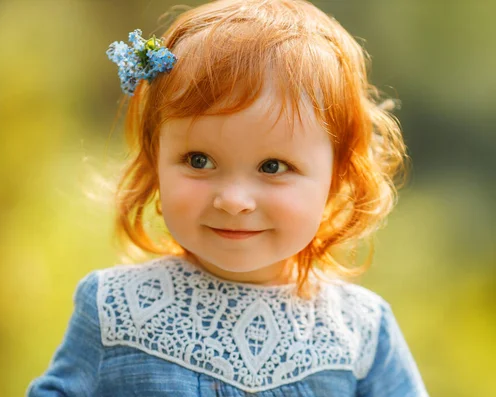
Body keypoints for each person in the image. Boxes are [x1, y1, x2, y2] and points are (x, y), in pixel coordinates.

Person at [27, 0, 429, 395]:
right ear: (155, 162)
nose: (234, 200)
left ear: (337, 177)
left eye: (272, 167)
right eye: (199, 160)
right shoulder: (116, 309)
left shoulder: (359, 329)